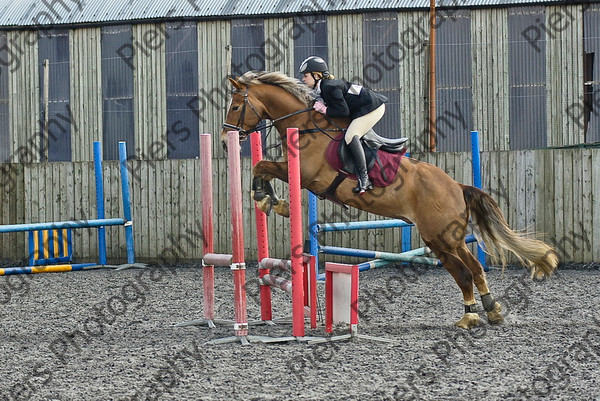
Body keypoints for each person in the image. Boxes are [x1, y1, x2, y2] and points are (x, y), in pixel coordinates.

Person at [299, 56, 387, 195]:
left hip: (373, 108)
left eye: (305, 75)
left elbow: (343, 111)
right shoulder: (324, 87)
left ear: (317, 75)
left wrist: (324, 109)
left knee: (351, 136)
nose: (303, 79)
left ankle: (364, 179)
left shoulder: (329, 87)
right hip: (362, 108)